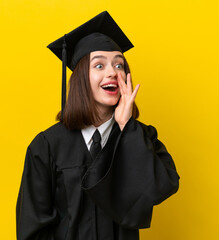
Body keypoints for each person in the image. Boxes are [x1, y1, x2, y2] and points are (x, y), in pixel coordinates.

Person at [16, 11, 180, 240]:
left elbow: (160, 188)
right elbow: (33, 230)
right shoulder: (47, 146)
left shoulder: (140, 135)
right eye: (100, 66)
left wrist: (127, 127)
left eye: (119, 65)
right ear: (81, 76)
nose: (113, 72)